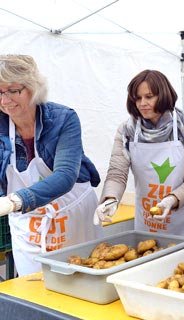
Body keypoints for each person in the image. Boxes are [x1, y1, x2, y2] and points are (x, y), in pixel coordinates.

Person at [0, 54, 103, 276]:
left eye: (13, 90)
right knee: (34, 287)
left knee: (81, 276)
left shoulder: (63, 119)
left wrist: (16, 200)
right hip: (27, 223)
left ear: (32, 88)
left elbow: (65, 175)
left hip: (72, 213)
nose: (5, 100)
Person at [94, 69, 184, 243]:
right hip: (149, 221)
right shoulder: (127, 130)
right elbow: (117, 173)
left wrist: (172, 200)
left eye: (149, 97)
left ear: (163, 95)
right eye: (138, 98)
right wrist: (111, 199)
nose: (142, 103)